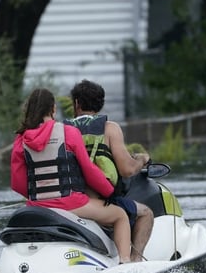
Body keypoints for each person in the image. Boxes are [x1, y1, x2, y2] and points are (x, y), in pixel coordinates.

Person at [10, 88, 133, 263]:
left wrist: (41, 197)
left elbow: (17, 183)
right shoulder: (68, 132)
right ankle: (125, 263)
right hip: (71, 203)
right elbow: (88, 170)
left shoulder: (21, 139)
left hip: (37, 206)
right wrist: (108, 192)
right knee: (120, 215)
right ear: (53, 109)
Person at [65, 79, 154, 261]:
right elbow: (127, 170)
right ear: (100, 104)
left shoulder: (63, 130)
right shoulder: (110, 129)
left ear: (76, 103)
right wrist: (142, 160)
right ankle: (134, 263)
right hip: (97, 202)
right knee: (146, 213)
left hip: (68, 199)